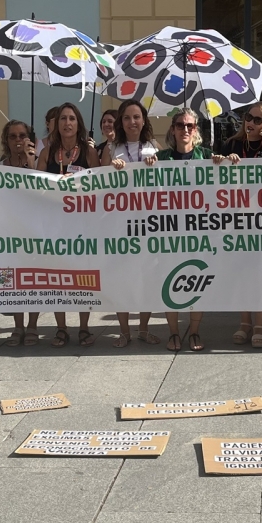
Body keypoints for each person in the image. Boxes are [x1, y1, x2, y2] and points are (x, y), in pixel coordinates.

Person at [35, 103, 100, 348]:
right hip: (55, 225)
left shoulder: (88, 153)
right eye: (63, 118)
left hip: (82, 225)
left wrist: (78, 182)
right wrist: (55, 182)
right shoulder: (47, 152)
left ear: (78, 123)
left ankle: (84, 327)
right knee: (57, 277)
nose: (67, 123)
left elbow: (99, 185)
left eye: (72, 118)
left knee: (84, 278)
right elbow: (36, 187)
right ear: (56, 124)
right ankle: (61, 327)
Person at [220, 103, 262, 347]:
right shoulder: (233, 144)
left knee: (261, 272)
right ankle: (244, 322)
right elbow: (219, 176)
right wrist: (224, 161)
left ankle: (260, 323)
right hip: (238, 218)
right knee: (242, 272)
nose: (251, 123)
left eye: (258, 120)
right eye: (248, 117)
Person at [104, 99, 162, 348]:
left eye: (136, 117)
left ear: (143, 120)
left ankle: (144, 329)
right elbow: (100, 183)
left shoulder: (154, 147)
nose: (132, 122)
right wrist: (111, 168)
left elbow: (165, 185)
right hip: (120, 224)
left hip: (148, 223)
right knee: (122, 278)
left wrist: (156, 168)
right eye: (127, 117)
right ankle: (124, 331)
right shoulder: (112, 148)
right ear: (121, 121)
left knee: (147, 277)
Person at [156, 108, 213, 351]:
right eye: (180, 125)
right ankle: (173, 333)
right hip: (169, 232)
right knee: (169, 280)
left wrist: (227, 162)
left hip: (198, 231)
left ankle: (195, 332)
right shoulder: (160, 157)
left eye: (190, 125)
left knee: (197, 281)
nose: (185, 129)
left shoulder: (207, 156)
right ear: (173, 129)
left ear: (196, 129)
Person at [0, 119, 37, 346]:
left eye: (22, 135)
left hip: (34, 229)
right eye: (12, 136)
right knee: (15, 279)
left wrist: (31, 160)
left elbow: (41, 187)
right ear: (6, 140)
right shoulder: (2, 166)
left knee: (33, 278)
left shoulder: (36, 160)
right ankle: (18, 326)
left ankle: (32, 325)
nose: (18, 140)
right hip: (11, 230)